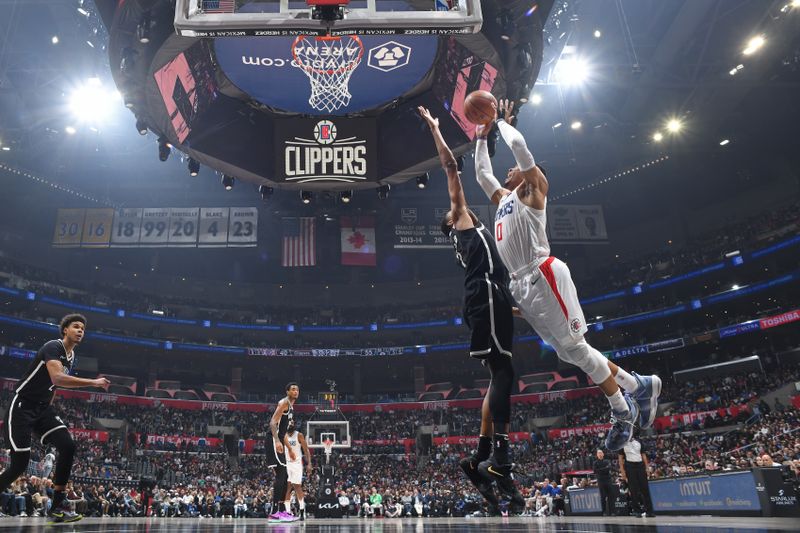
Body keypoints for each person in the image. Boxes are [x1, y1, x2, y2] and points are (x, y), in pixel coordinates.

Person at [473, 100, 662, 451]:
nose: (507, 172)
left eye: (512, 170)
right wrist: (481, 138)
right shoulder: (503, 199)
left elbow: (520, 148)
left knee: (575, 347)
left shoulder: (533, 189)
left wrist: (498, 121)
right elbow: (482, 174)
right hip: (522, 284)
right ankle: (638, 386)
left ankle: (623, 410)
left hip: (543, 273)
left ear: (529, 174)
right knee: (570, 353)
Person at [418, 105, 524, 513]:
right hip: (485, 294)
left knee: (497, 375)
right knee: (504, 371)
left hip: (491, 296)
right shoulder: (462, 220)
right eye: (454, 209)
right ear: (454, 219)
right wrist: (436, 130)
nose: (458, 206)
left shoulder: (476, 231)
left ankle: (482, 456)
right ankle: (499, 458)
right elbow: (450, 167)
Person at [0, 314, 110, 523]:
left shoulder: (71, 356)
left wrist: (48, 409)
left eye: (83, 329)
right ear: (64, 330)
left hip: (42, 409)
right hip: (22, 406)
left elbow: (54, 386)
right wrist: (94, 383)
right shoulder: (53, 346)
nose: (80, 331)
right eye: (76, 327)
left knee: (68, 445)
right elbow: (57, 378)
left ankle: (58, 506)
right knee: (19, 464)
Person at [267, 382, 300, 523]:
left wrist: (291, 448)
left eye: (297, 389)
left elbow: (283, 432)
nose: (296, 391)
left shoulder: (291, 407)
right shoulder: (284, 403)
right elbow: (273, 423)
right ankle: (275, 512)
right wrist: (277, 441)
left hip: (278, 440)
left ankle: (280, 511)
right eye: (293, 389)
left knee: (285, 475)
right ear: (287, 391)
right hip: (272, 440)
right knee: (281, 475)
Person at [282, 420, 312, 521]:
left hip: (297, 464)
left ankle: (302, 511)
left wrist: (309, 463)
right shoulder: (283, 435)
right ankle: (287, 512)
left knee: (298, 487)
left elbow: (306, 449)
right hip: (287, 464)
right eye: (289, 422)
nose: (291, 424)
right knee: (288, 487)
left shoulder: (299, 435)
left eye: (292, 422)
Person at [618, 435, 655, 517]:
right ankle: (637, 511)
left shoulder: (639, 442)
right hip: (630, 467)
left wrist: (647, 468)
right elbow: (620, 459)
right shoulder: (622, 443)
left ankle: (649, 511)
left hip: (640, 466)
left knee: (645, 489)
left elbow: (643, 455)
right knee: (633, 490)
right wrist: (623, 472)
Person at [593, 449, 616, 516]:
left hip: (608, 480)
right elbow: (595, 471)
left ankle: (613, 512)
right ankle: (604, 512)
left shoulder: (607, 461)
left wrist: (600, 470)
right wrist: (605, 469)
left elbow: (609, 468)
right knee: (602, 497)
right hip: (600, 480)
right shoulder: (595, 462)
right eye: (598, 453)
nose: (600, 454)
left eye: (601, 453)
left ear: (603, 454)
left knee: (611, 496)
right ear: (597, 455)